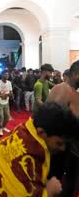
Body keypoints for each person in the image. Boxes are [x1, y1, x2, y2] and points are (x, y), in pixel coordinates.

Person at [0, 102, 79, 197]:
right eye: (59, 143)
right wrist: (49, 192)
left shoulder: (28, 128)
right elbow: (24, 191)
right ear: (41, 133)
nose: (63, 149)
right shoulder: (31, 152)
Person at [47, 60, 79, 196]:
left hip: (66, 150)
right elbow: (53, 121)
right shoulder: (64, 90)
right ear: (76, 74)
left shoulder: (64, 89)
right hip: (63, 150)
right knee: (65, 185)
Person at [0, 70, 13, 136]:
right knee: (0, 116)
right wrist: (5, 95)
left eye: (8, 74)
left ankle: (3, 127)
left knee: (7, 116)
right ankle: (0, 128)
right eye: (5, 74)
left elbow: (10, 91)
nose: (7, 75)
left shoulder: (9, 83)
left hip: (6, 102)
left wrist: (11, 94)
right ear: (2, 75)